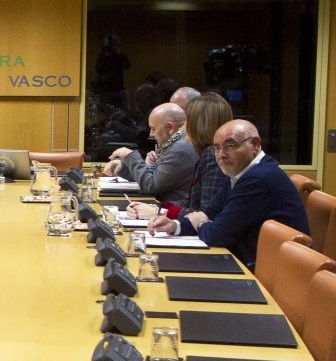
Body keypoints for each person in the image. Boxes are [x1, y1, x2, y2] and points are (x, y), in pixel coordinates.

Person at [149, 120, 309, 268]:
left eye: (230, 145)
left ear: (255, 144)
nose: (221, 154)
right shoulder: (241, 171)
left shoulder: (258, 178)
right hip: (252, 258)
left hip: (266, 270)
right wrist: (174, 226)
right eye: (217, 148)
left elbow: (217, 234)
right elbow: (210, 213)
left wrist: (199, 223)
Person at [128, 93, 232, 220]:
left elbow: (206, 215)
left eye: (188, 121)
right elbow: (193, 202)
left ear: (198, 125)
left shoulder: (213, 155)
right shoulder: (207, 152)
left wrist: (160, 212)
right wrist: (157, 207)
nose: (183, 128)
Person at [103, 103, 197, 203]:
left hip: (171, 211)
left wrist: (130, 156)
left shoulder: (180, 149)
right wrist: (123, 167)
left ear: (170, 127)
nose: (151, 134)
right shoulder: (175, 143)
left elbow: (151, 185)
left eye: (154, 129)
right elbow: (152, 175)